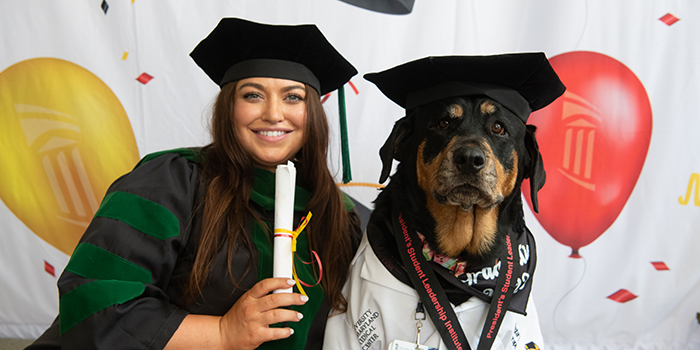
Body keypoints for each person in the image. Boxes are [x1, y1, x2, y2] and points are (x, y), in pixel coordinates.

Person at [26, 17, 362, 350]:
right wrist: (222, 333)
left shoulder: (336, 214)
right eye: (253, 95)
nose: (274, 113)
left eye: (292, 97)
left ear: (313, 113)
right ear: (229, 108)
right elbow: (96, 303)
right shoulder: (172, 182)